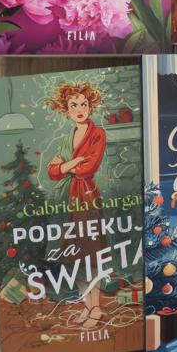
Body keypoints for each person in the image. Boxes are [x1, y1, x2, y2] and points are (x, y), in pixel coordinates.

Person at [46, 82, 108, 330]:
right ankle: (87, 305)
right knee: (74, 256)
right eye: (74, 105)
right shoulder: (66, 138)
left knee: (91, 252)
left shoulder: (97, 133)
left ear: (91, 107)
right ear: (66, 109)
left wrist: (65, 166)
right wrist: (71, 164)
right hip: (68, 200)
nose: (80, 109)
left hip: (87, 197)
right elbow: (52, 173)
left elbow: (89, 168)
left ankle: (97, 307)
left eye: (84, 104)